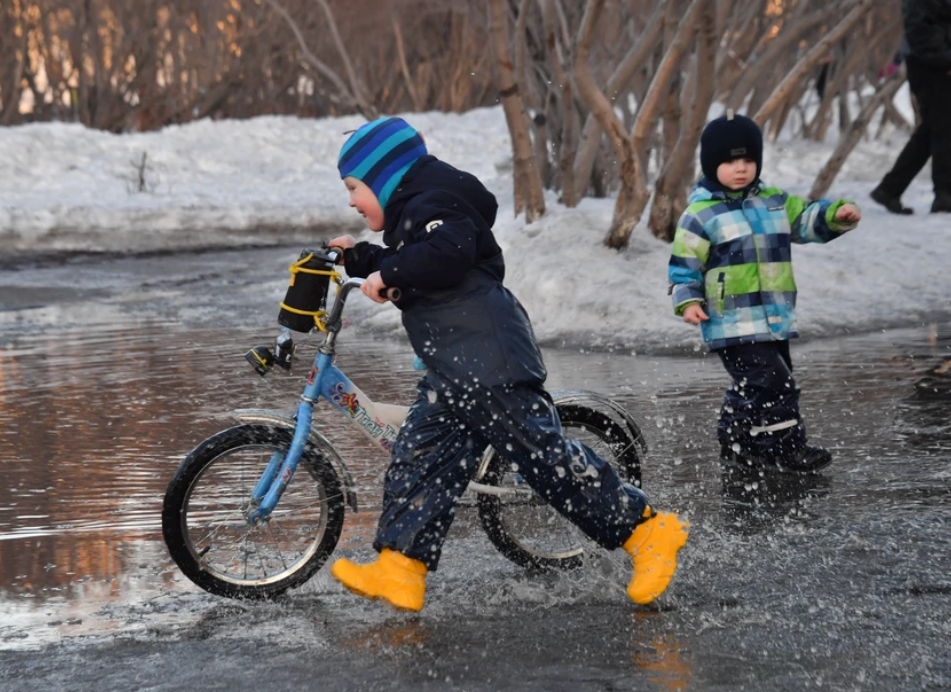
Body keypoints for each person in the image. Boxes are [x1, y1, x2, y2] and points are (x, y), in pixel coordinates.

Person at [326, 116, 689, 612]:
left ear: (385, 175)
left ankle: (647, 531)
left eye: (354, 187)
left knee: (541, 456)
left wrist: (390, 270)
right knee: (422, 457)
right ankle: (400, 568)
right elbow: (420, 257)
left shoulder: (434, 205)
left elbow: (448, 253)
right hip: (454, 367)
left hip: (488, 359)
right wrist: (362, 259)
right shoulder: (420, 212)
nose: (350, 199)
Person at [669, 112, 862, 472]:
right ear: (712, 165)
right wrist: (688, 300)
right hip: (732, 321)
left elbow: (806, 219)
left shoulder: (774, 201)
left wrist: (836, 215)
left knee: (755, 385)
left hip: (774, 316)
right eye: (730, 161)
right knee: (775, 383)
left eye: (748, 160)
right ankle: (786, 449)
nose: (740, 168)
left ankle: (738, 442)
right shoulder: (701, 214)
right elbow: (684, 263)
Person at [869, 0, 951, 215]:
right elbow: (920, 31)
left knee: (932, 130)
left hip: (936, 63)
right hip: (931, 65)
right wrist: (946, 59)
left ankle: (890, 189)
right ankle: (944, 195)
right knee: (943, 128)